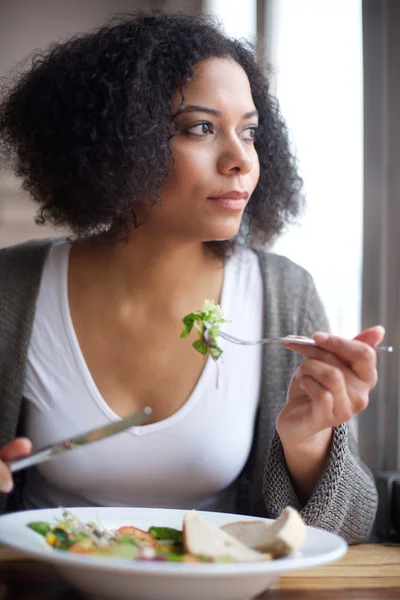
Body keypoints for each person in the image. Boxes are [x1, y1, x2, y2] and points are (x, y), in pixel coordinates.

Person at [0, 12, 383, 543]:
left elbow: (351, 531)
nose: (240, 161)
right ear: (116, 142)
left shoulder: (283, 294)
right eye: (200, 128)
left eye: (248, 132)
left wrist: (307, 445)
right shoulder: (13, 288)